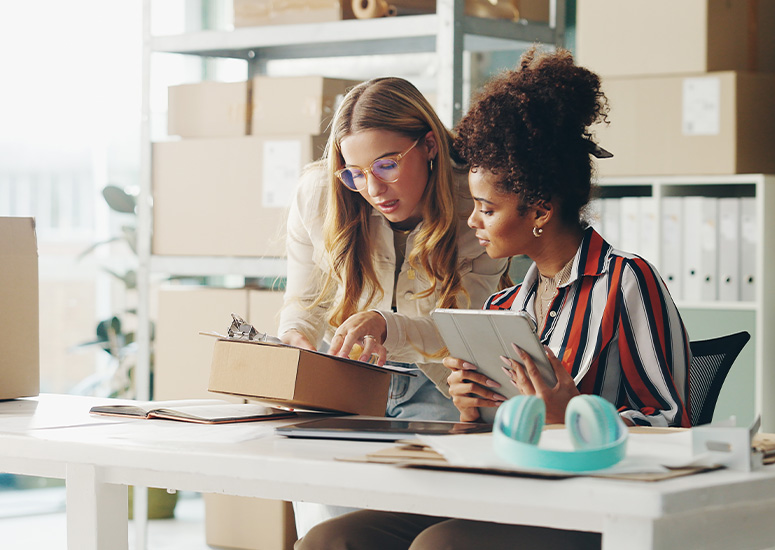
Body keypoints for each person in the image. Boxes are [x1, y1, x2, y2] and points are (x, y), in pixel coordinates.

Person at [294, 48, 691, 550]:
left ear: (539, 210)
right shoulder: (504, 310)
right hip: (507, 491)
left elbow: (673, 425)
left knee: (440, 546)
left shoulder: (625, 282)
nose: (472, 220)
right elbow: (493, 432)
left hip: (590, 503)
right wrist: (470, 409)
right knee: (330, 539)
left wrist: (572, 416)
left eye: (485, 207)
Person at [278, 76, 509, 422]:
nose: (373, 189)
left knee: (430, 470)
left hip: (438, 381)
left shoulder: (479, 206)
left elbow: (462, 332)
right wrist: (296, 339)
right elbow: (303, 302)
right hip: (345, 369)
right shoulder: (318, 195)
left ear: (429, 145)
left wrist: (386, 326)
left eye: (387, 165)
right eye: (355, 173)